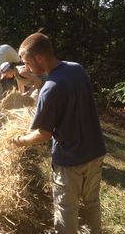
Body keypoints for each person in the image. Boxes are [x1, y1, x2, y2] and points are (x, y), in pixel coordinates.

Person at [10, 33, 106, 233]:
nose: (26, 68)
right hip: (95, 151)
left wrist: (20, 140)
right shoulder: (76, 68)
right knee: (91, 202)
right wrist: (32, 77)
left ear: (39, 58)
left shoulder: (50, 89)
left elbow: (43, 134)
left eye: (27, 63)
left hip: (70, 160)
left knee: (66, 208)